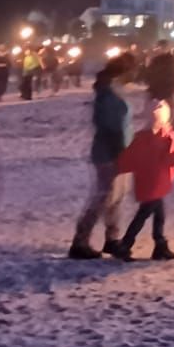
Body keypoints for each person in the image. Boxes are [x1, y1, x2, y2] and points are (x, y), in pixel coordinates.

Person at [111, 100, 174, 261]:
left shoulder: (141, 137)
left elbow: (129, 157)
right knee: (144, 215)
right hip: (158, 182)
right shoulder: (165, 137)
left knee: (158, 214)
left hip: (146, 182)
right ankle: (126, 245)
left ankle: (160, 245)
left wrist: (118, 167)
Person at [70, 54, 134, 258]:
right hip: (110, 152)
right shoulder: (108, 95)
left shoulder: (112, 91)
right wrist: (120, 153)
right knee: (104, 196)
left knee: (117, 196)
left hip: (118, 150)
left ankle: (112, 238)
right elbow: (110, 127)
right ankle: (80, 241)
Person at [146, 40, 174, 111]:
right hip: (162, 90)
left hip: (162, 90)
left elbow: (149, 73)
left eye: (159, 47)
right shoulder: (171, 59)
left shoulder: (158, 60)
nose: (157, 49)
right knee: (166, 110)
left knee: (159, 111)